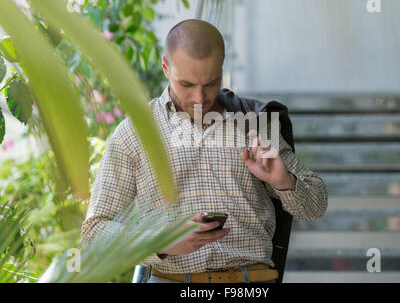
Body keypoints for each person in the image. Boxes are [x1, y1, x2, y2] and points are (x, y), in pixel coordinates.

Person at [81, 19, 328, 283]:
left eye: (210, 83)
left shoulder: (254, 123)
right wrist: (161, 242)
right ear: (165, 67)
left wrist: (284, 182)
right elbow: (94, 234)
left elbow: (316, 206)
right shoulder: (134, 133)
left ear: (222, 66)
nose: (200, 98)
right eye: (186, 84)